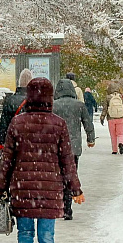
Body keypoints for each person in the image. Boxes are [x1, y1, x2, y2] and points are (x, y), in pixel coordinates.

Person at [0, 78, 85, 243]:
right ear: (50, 97)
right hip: (50, 190)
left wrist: (2, 186)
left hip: (23, 188)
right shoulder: (58, 124)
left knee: (25, 233)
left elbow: (7, 159)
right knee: (47, 237)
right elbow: (67, 160)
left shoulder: (17, 123)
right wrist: (75, 189)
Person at [53, 79, 95, 220]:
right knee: (71, 175)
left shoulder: (53, 105)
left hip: (57, 146)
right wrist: (91, 138)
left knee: (58, 176)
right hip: (73, 147)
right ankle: (68, 208)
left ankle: (60, 205)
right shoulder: (79, 105)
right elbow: (88, 123)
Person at [0, 69, 33, 147]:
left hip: (13, 144)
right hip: (29, 145)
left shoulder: (10, 101)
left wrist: (2, 143)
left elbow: (4, 125)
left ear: (19, 82)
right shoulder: (34, 100)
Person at [101, 82, 123, 154]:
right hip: (121, 117)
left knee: (113, 135)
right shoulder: (121, 96)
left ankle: (114, 150)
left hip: (111, 118)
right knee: (120, 133)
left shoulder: (108, 97)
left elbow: (105, 109)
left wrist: (102, 117)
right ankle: (121, 143)